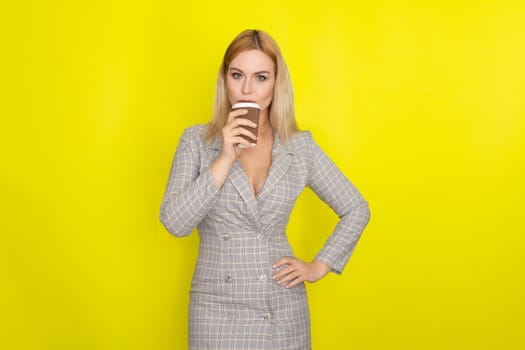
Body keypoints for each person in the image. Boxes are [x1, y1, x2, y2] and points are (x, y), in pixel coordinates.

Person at [160, 29, 370, 350]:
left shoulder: (300, 147)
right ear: (224, 79)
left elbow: (356, 208)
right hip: (217, 311)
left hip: (282, 308)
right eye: (237, 75)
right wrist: (226, 156)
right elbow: (174, 222)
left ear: (276, 83)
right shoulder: (197, 142)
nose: (247, 89)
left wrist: (318, 266)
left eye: (260, 77)